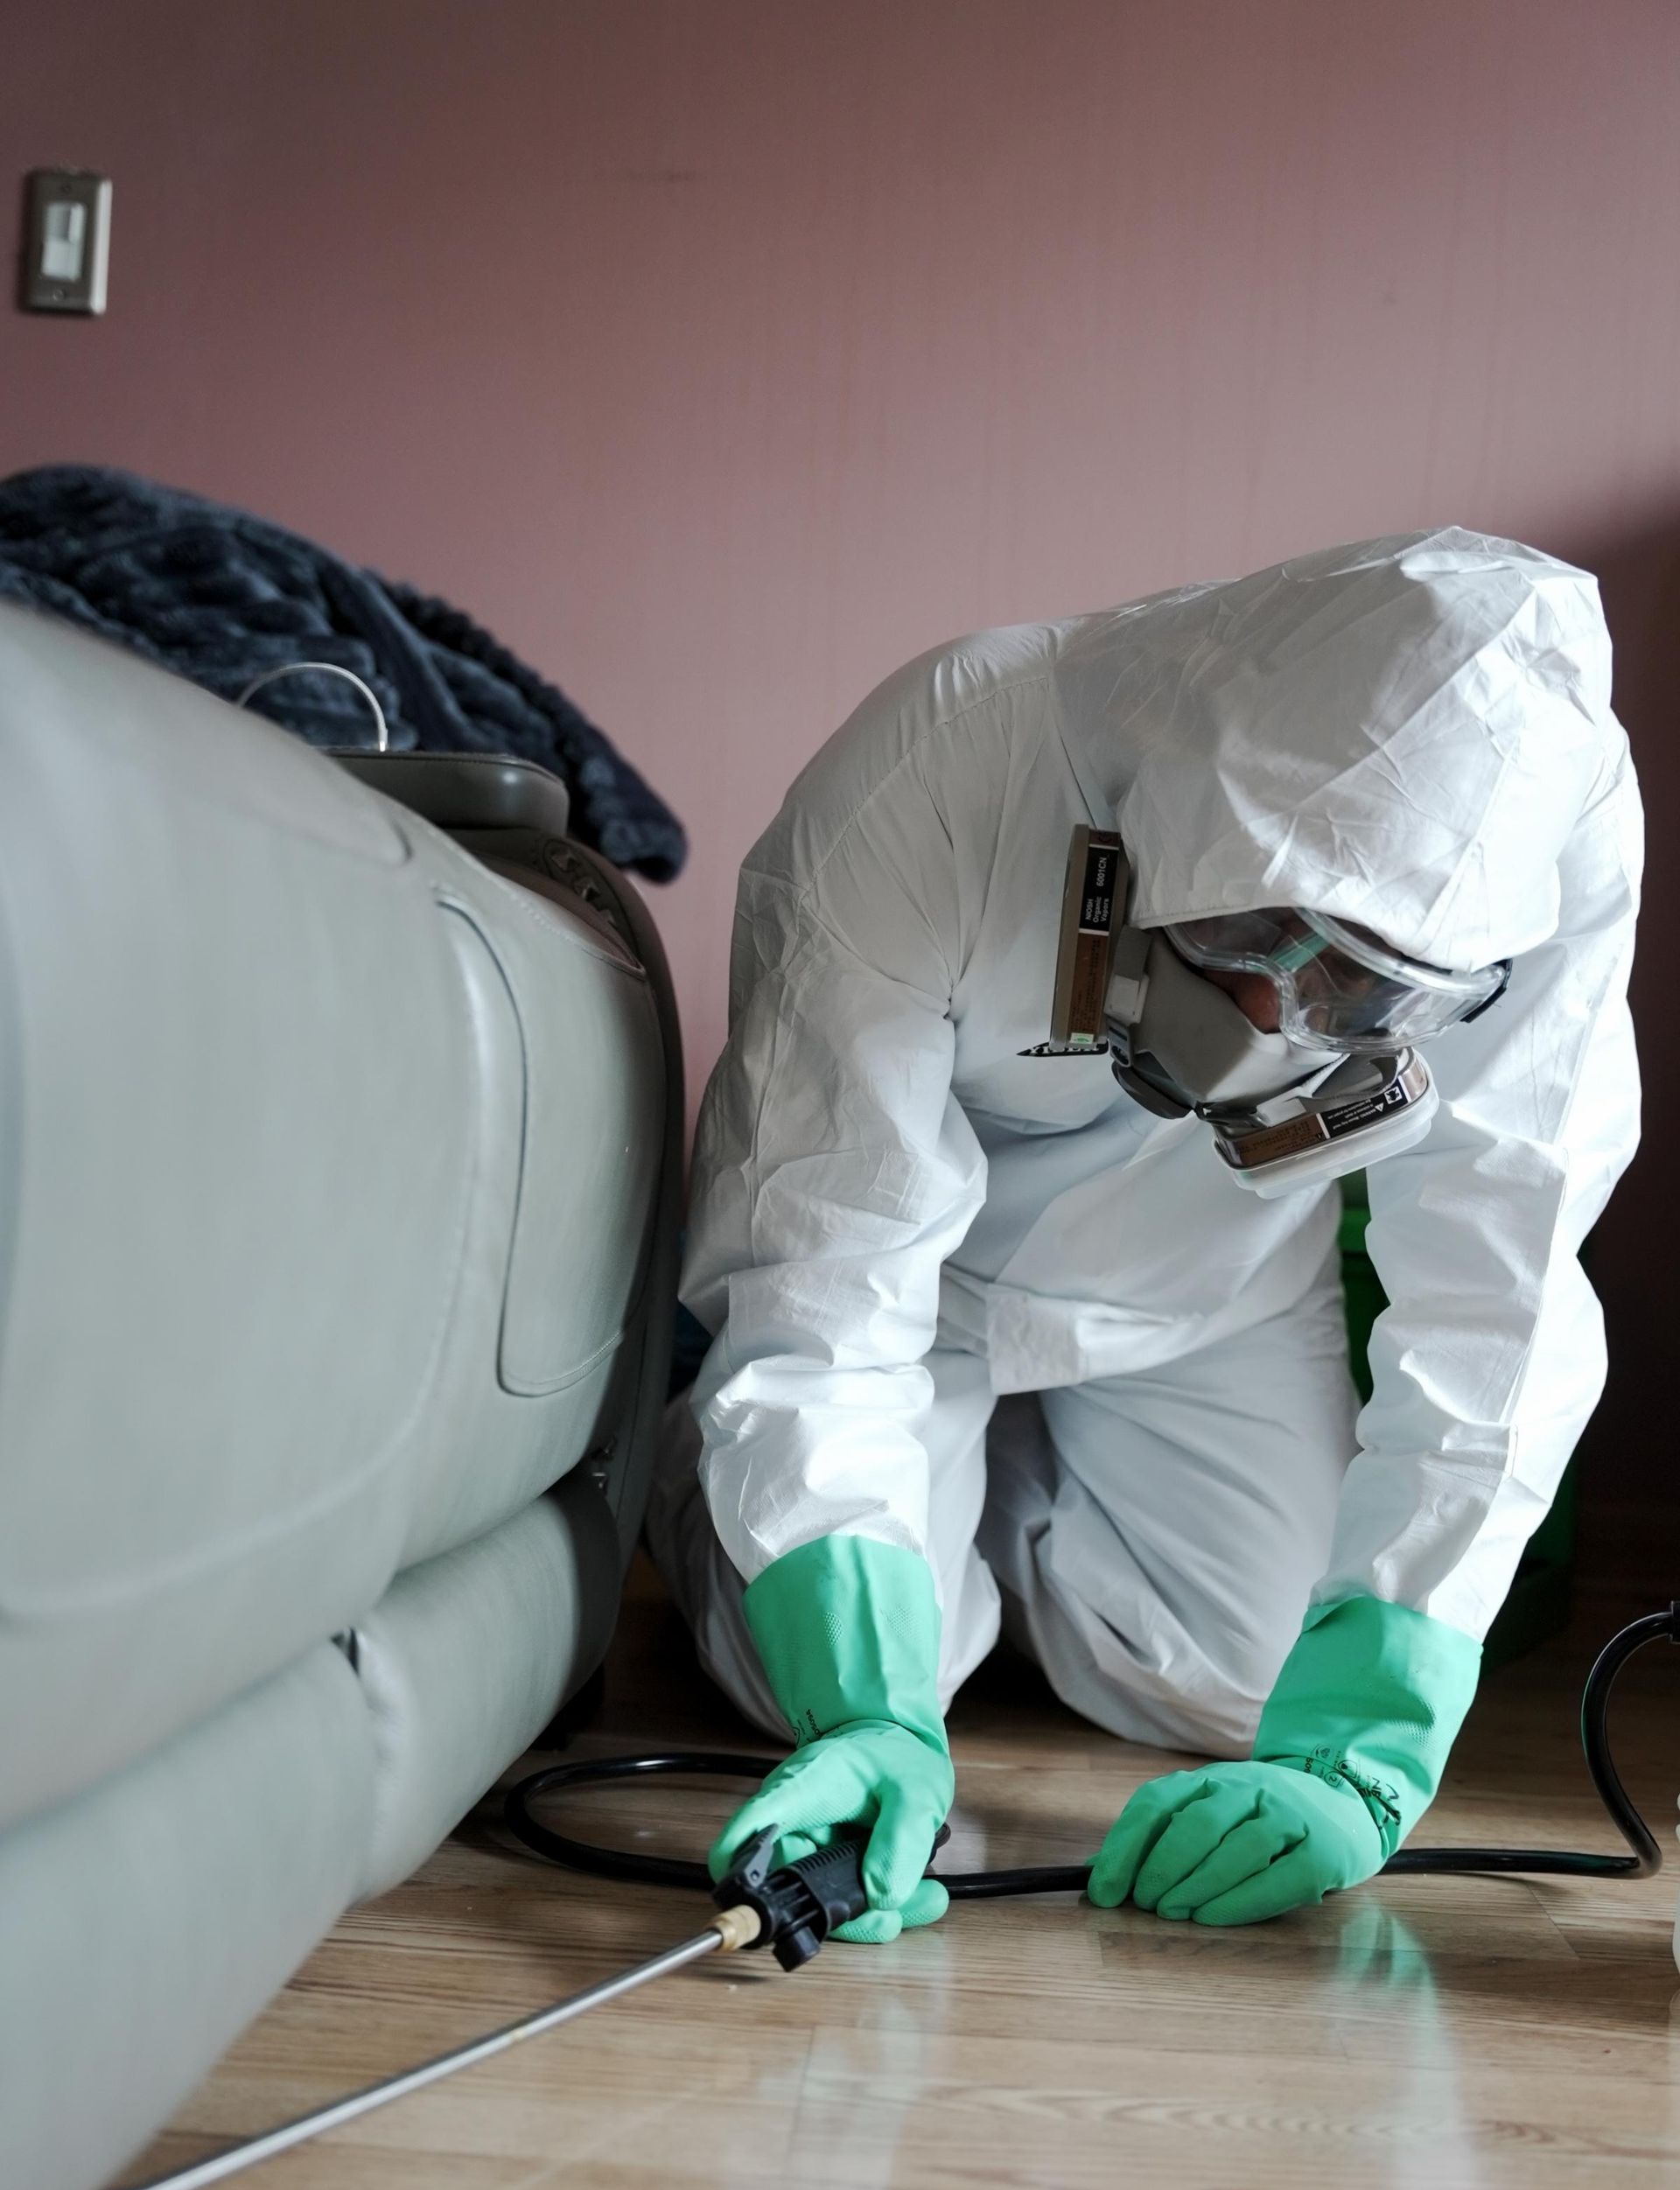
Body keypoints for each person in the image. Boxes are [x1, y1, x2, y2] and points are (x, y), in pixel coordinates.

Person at [646, 529, 1641, 1940]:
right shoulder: (935, 775)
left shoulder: (1552, 847)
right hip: (923, 1291)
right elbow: (826, 1272)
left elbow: (1508, 1280)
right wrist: (870, 1696)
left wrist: (1369, 1739)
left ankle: (989, 1502)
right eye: (1271, 946)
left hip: (1213, 1289)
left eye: (1368, 996)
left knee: (1248, 1687)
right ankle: (740, 1471)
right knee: (802, 1672)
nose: (1294, 1028)